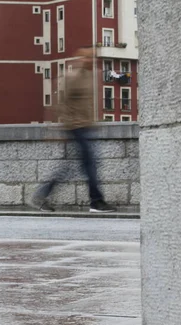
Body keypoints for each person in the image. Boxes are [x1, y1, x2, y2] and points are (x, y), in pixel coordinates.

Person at [30, 47, 116, 213]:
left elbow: (88, 104)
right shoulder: (72, 77)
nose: (92, 61)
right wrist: (59, 129)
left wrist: (93, 124)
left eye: (93, 58)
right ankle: (96, 201)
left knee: (73, 166)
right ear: (81, 59)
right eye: (88, 58)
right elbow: (60, 103)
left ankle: (41, 196)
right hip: (76, 127)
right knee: (89, 163)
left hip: (87, 127)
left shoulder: (91, 76)